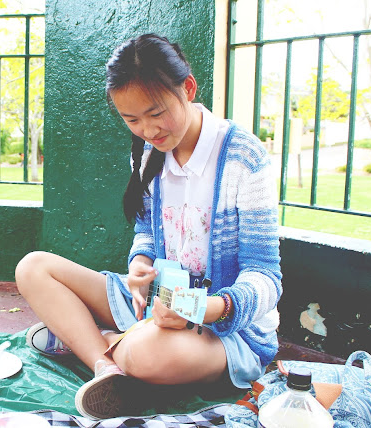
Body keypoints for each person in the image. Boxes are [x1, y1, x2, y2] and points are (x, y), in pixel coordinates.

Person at [15, 33, 282, 420]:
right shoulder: (147, 152)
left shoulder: (244, 157)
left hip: (223, 330)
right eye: (132, 120)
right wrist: (140, 263)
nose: (148, 130)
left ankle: (91, 340)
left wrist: (208, 308)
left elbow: (266, 276)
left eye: (156, 114)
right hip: (154, 305)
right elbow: (146, 230)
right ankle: (106, 366)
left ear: (187, 88)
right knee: (34, 267)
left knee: (146, 354)